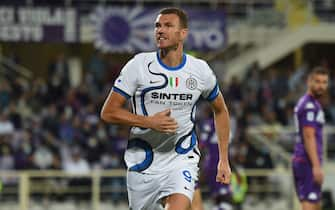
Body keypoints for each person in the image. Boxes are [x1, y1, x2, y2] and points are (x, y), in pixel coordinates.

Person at [100, 7, 231, 210]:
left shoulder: (200, 70)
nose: (160, 30)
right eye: (157, 26)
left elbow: (221, 110)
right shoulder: (139, 65)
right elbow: (108, 112)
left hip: (181, 159)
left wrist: (224, 159)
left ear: (183, 33)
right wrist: (148, 122)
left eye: (168, 26)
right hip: (143, 162)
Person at [292, 67, 329, 210]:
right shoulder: (309, 106)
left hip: (307, 161)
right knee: (309, 204)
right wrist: (316, 166)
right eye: (317, 81)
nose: (321, 86)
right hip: (306, 161)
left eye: (324, 82)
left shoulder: (312, 104)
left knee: (316, 205)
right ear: (309, 82)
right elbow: (308, 135)